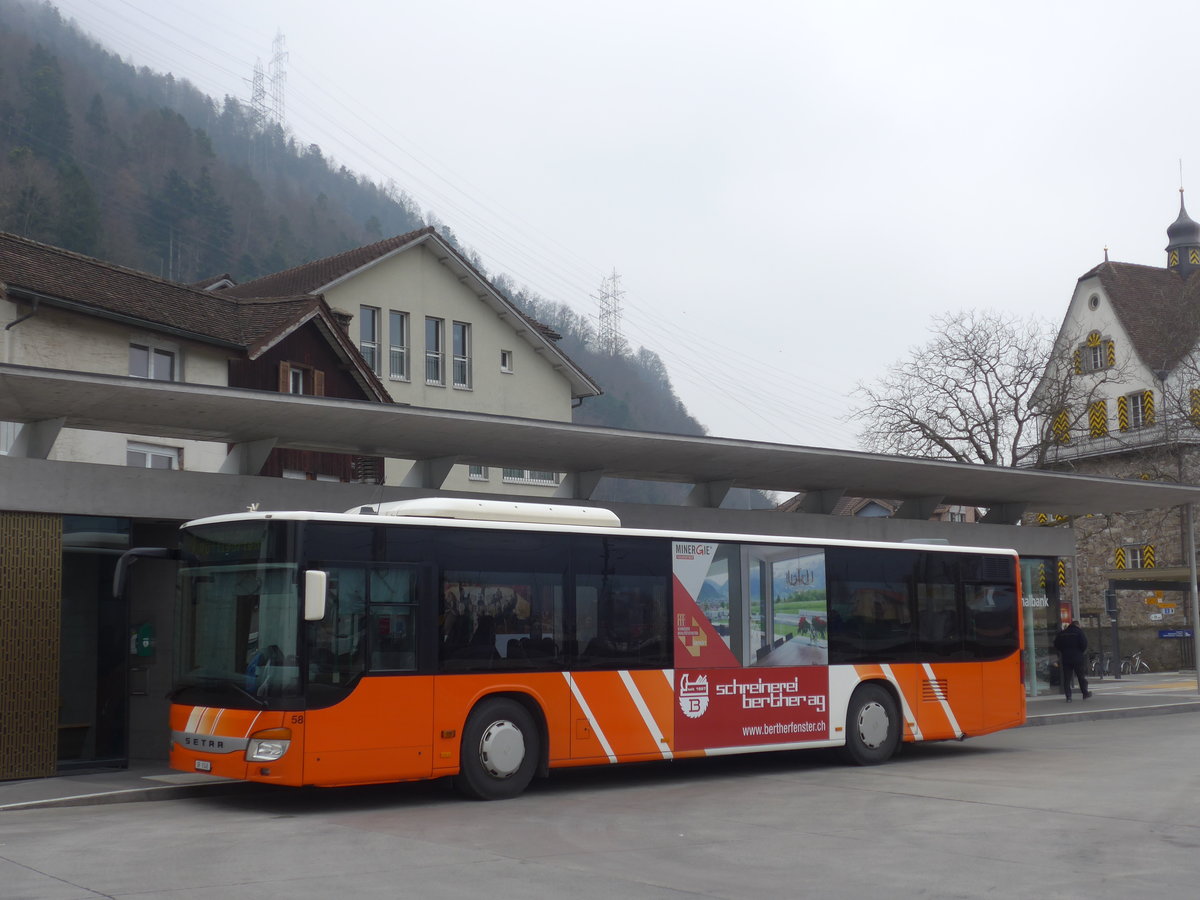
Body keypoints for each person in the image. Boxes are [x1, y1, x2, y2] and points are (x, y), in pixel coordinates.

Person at [1053, 620, 1092, 703]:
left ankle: (1068, 697)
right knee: (1081, 676)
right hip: (1077, 657)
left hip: (1066, 658)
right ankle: (1085, 693)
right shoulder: (1079, 632)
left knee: (1067, 678)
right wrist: (1079, 652)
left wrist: (1063, 651)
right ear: (1077, 625)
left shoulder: (1063, 633)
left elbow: (1056, 644)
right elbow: (1084, 644)